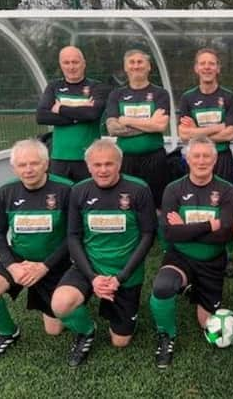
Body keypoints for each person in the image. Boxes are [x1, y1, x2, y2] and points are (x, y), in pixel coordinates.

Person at [50, 139, 157, 367]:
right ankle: (87, 331)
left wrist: (121, 278)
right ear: (88, 166)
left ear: (119, 164)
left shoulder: (139, 189)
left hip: (125, 272)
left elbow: (148, 235)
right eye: (96, 165)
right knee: (60, 304)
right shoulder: (79, 191)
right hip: (89, 268)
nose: (103, 170)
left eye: (109, 164)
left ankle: (123, 313)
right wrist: (93, 277)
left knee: (121, 341)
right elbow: (73, 236)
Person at [0, 139, 73, 365]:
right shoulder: (6, 191)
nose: (28, 169)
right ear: (13, 167)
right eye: (22, 164)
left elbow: (73, 236)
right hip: (19, 259)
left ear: (46, 164)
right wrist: (12, 265)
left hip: (54, 262)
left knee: (54, 329)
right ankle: (9, 332)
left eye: (34, 163)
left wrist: (44, 266)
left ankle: (65, 299)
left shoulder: (66, 189)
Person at [150, 136, 233, 369]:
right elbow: (169, 234)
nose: (201, 161)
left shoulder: (226, 190)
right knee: (163, 287)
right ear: (187, 159)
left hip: (212, 261)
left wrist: (184, 229)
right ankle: (166, 336)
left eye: (206, 156)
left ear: (215, 158)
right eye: (196, 156)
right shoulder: (173, 189)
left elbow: (226, 234)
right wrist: (209, 225)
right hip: (180, 258)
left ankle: (195, 288)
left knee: (206, 323)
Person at [106, 49, 171, 208]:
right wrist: (150, 124)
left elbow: (161, 125)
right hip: (126, 159)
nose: (136, 66)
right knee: (128, 204)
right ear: (126, 67)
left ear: (149, 66)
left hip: (155, 159)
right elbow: (113, 128)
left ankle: (156, 232)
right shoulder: (116, 94)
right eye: (132, 62)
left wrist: (127, 120)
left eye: (140, 62)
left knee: (157, 204)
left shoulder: (160, 94)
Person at [36, 46, 106, 182]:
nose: (71, 67)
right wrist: (79, 115)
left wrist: (61, 108)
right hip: (59, 158)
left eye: (75, 62)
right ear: (61, 65)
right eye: (66, 63)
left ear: (84, 63)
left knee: (88, 200)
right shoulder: (53, 86)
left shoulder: (97, 87)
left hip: (90, 158)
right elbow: (41, 116)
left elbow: (92, 114)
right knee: (60, 200)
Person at [178, 48, 233, 186]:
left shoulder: (229, 97)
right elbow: (184, 135)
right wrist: (217, 127)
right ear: (196, 68)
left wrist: (196, 132)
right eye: (202, 63)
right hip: (197, 160)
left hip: (222, 158)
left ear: (218, 68)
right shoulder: (187, 98)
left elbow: (230, 134)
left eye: (211, 64)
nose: (207, 67)